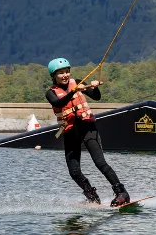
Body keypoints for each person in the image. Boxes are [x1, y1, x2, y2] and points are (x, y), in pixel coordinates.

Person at [45, 57, 130, 206]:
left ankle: (121, 193)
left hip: (87, 128)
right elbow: (59, 103)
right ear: (54, 76)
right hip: (70, 132)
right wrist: (74, 91)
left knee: (100, 162)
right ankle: (92, 197)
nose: (65, 75)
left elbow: (96, 97)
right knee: (74, 172)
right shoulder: (50, 93)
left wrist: (95, 88)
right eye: (61, 73)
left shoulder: (78, 82)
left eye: (67, 71)